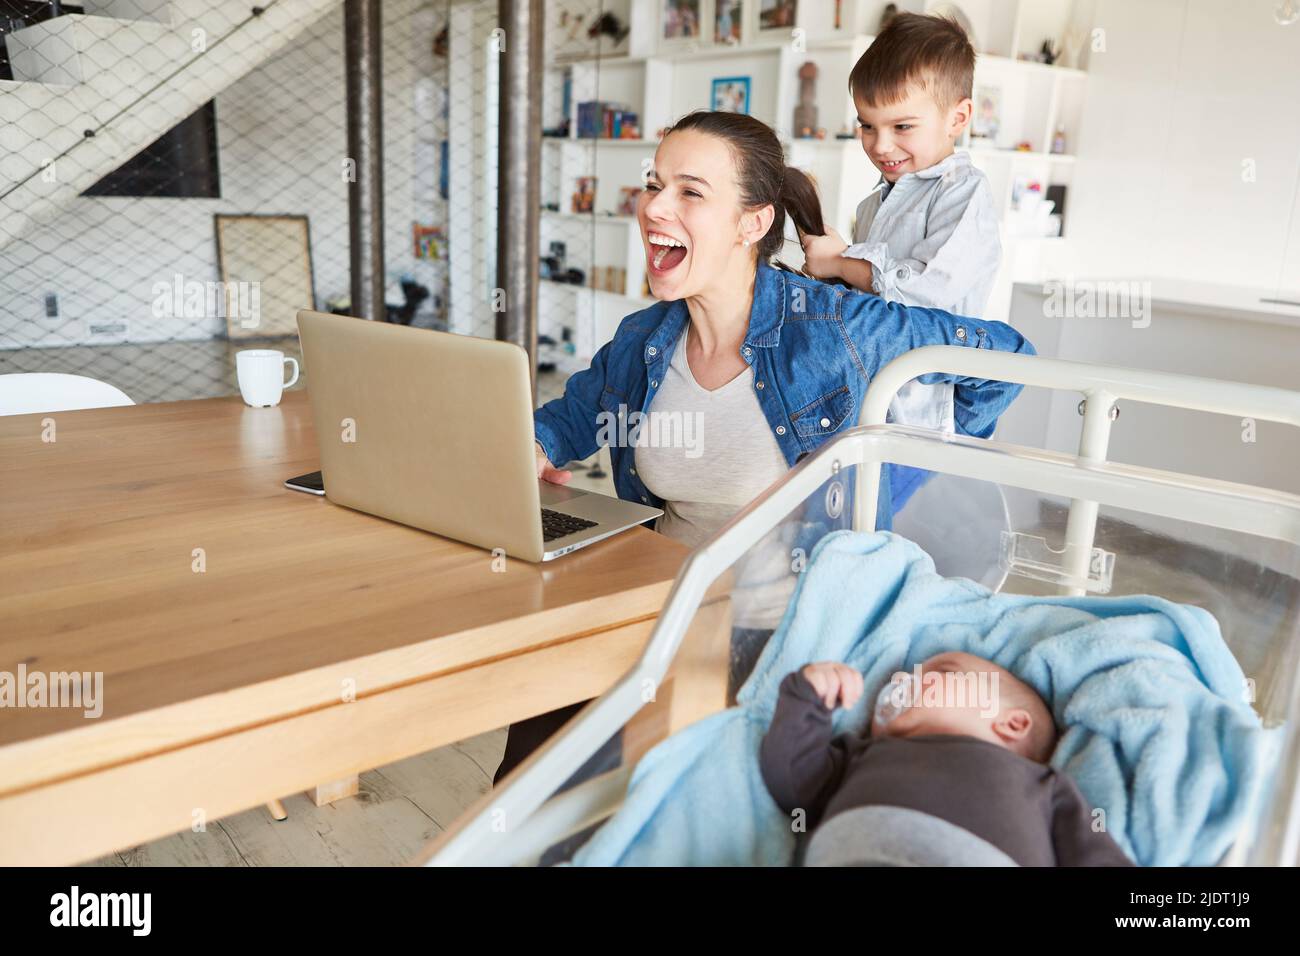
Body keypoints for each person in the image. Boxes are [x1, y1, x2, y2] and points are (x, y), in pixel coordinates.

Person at [494, 109, 1034, 786]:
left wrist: (908, 470)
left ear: (753, 224)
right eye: (654, 184)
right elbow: (571, 419)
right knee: (532, 759)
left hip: (786, 639)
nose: (655, 206)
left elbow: (1006, 359)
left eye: (690, 192)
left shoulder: (838, 326)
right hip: (663, 610)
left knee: (636, 780)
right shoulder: (645, 338)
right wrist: (534, 446)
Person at [801, 13, 1002, 511]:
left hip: (918, 419)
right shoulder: (876, 203)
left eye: (902, 126)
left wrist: (845, 261)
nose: (880, 144)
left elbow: (926, 290)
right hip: (867, 403)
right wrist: (831, 267)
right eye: (867, 126)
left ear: (958, 118)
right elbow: (869, 300)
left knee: (874, 526)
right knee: (843, 519)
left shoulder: (964, 193)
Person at [759, 652, 1135, 866]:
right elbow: (793, 780)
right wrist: (808, 698)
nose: (906, 678)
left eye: (940, 672)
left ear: (1012, 723)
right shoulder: (863, 755)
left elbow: (1093, 853)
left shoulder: (1041, 784)